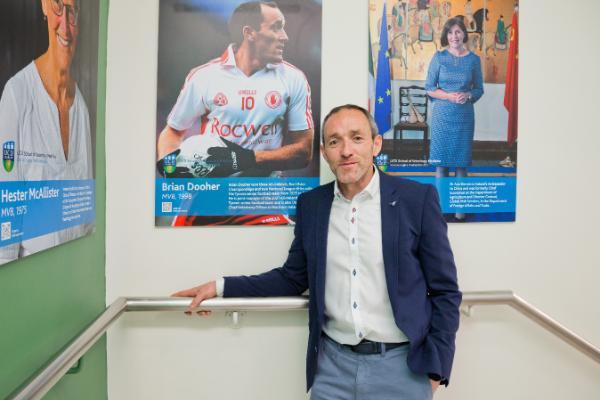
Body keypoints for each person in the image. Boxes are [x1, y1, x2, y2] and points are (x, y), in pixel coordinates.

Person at [173, 104, 461, 399]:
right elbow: (292, 278)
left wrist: (437, 368)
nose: (346, 150)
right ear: (325, 153)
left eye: (357, 138)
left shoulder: (416, 199)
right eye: (335, 141)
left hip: (403, 369)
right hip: (332, 370)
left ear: (376, 144)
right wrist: (220, 287)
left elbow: (445, 290)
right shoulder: (312, 205)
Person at [156, 1, 314, 178]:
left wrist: (245, 159)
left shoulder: (293, 78)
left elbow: (304, 152)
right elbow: (173, 131)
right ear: (249, 33)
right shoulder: (204, 76)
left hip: (264, 196)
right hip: (212, 192)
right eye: (276, 28)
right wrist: (169, 171)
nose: (284, 36)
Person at [0, 0, 93, 264]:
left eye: (72, 12)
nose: (65, 25)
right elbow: (6, 207)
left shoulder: (81, 108)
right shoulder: (17, 95)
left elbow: (86, 215)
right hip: (29, 271)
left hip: (73, 272)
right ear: (43, 5)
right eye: (57, 6)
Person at [425, 17, 483, 219]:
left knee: (461, 164)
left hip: (464, 117)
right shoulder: (439, 57)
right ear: (446, 36)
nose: (454, 36)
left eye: (458, 32)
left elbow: (479, 89)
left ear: (464, 34)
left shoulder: (474, 60)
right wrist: (449, 96)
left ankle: (460, 211)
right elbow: (430, 88)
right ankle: (441, 210)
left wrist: (467, 95)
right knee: (441, 164)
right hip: (442, 117)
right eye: (450, 33)